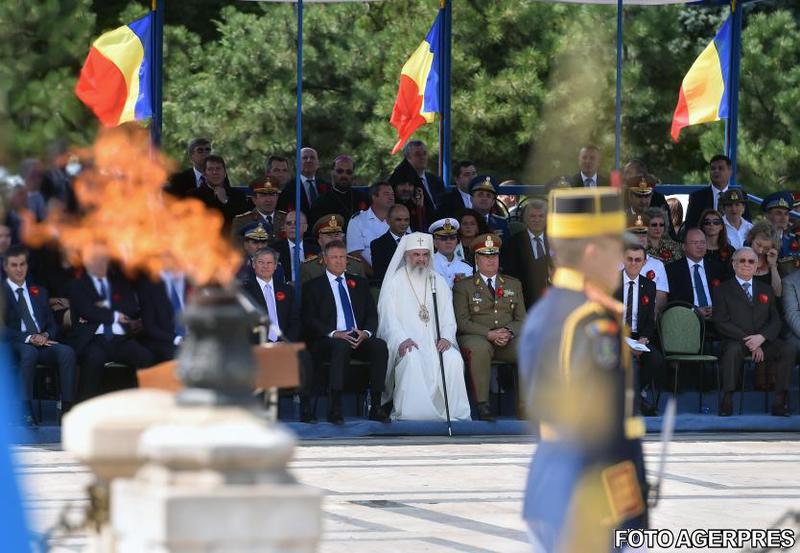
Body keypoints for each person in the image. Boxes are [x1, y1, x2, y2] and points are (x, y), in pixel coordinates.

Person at [519, 187, 648, 551]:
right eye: (615, 251)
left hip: (552, 488)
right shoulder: (591, 323)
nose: (620, 263)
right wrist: (628, 509)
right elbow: (600, 431)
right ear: (592, 252)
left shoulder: (547, 312)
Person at [377, 233, 471, 421]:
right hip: (407, 342)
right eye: (416, 255)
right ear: (406, 256)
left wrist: (446, 337)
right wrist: (401, 340)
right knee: (412, 358)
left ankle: (454, 413)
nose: (421, 259)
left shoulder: (438, 281)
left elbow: (448, 317)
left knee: (453, 359)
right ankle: (414, 414)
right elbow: (388, 318)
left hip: (435, 343)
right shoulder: (395, 282)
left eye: (425, 255)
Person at [301, 240, 390, 425]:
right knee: (341, 346)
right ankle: (335, 407)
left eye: (342, 257)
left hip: (358, 337)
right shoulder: (313, 286)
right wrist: (334, 333)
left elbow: (371, 314)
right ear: (325, 259)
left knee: (379, 346)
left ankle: (375, 405)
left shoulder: (359, 283)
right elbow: (309, 319)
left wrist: (365, 332)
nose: (339, 261)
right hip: (328, 340)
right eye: (334, 257)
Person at [712, 247, 794, 416]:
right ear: (734, 264)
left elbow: (776, 320)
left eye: (751, 261)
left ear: (757, 266)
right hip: (736, 340)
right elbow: (721, 321)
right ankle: (727, 400)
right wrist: (750, 341)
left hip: (763, 340)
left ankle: (780, 402)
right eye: (742, 260)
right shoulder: (722, 289)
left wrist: (762, 338)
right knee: (733, 350)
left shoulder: (766, 289)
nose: (746, 264)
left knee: (788, 349)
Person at [453, 233, 526, 421]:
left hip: (505, 338)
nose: (491, 260)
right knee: (480, 348)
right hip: (476, 336)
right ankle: (483, 405)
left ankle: (526, 405)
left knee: (528, 348)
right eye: (485, 256)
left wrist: (508, 332)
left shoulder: (513, 284)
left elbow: (521, 319)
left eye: (494, 255)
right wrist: (489, 334)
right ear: (477, 259)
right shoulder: (464, 286)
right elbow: (461, 321)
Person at [67, 244, 154, 400]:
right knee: (93, 360)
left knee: (145, 357)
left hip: (121, 340)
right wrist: (114, 315)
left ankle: (143, 404)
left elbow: (131, 306)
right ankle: (84, 408)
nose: (101, 264)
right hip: (94, 339)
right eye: (96, 260)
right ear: (87, 262)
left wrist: (104, 307)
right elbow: (86, 309)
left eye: (104, 260)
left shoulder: (119, 284)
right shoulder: (77, 285)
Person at [3, 246, 77, 423]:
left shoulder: (39, 291)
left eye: (22, 264)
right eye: (14, 265)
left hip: (42, 341)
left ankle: (67, 409)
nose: (19, 269)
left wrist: (44, 334)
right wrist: (29, 338)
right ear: (5, 267)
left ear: (27, 266)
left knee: (67, 352)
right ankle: (25, 410)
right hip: (15, 342)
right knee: (29, 353)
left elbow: (52, 324)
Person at [241, 248, 315, 423]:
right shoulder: (244, 291)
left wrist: (285, 341)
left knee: (305, 357)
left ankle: (306, 409)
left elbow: (295, 320)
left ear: (276, 266)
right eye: (261, 262)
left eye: (269, 263)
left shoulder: (286, 290)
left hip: (284, 343)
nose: (265, 266)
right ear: (253, 265)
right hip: (258, 343)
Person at [615, 242, 664, 416]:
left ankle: (633, 397)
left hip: (638, 336)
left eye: (638, 260)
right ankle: (636, 401)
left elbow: (651, 320)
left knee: (656, 358)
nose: (633, 263)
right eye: (630, 259)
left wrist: (643, 338)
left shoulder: (649, 286)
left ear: (644, 262)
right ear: (623, 259)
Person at [665, 228, 727, 324]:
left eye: (702, 242)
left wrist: (716, 309)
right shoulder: (672, 270)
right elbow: (672, 301)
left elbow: (727, 296)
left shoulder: (718, 268)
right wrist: (693, 310)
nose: (700, 246)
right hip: (686, 321)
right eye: (695, 242)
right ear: (684, 246)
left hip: (717, 320)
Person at [503, 199, 552, 308]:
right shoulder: (514, 242)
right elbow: (511, 275)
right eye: (532, 216)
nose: (536, 220)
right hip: (525, 300)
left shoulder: (555, 241)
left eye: (541, 216)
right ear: (525, 219)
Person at [136, 269, 189, 364]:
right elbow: (150, 326)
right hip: (166, 340)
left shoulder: (191, 279)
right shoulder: (149, 284)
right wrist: (177, 339)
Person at [685, 155, 750, 227]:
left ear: (730, 171)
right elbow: (690, 226)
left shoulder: (741, 196)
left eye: (720, 168)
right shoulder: (697, 197)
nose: (716, 171)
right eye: (713, 169)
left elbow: (747, 223)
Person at [190, 155, 250, 234]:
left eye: (218, 169)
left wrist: (225, 200)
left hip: (230, 242)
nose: (215, 172)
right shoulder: (193, 195)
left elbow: (243, 221)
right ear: (204, 174)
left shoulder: (238, 195)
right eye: (210, 169)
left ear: (225, 173)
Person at [300, 214, 364, 284]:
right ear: (320, 241)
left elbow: (363, 293)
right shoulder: (309, 268)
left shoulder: (356, 265)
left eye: (337, 235)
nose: (334, 239)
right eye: (329, 236)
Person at [309, 155, 369, 229]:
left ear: (352, 175)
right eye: (340, 171)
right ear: (332, 173)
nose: (344, 175)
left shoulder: (364, 197)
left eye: (349, 172)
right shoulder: (320, 202)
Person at [346, 181, 394, 270]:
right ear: (374, 197)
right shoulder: (357, 220)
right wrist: (375, 274)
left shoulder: (399, 218)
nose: (391, 197)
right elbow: (354, 254)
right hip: (371, 278)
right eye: (386, 194)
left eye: (392, 194)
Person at [627, 217, 669, 313]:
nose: (641, 238)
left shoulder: (658, 265)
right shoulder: (618, 262)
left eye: (644, 234)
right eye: (636, 234)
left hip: (647, 319)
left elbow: (661, 298)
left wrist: (650, 321)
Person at [230, 180, 285, 246]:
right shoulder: (241, 221)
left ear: (277, 198)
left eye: (272, 195)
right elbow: (237, 250)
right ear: (254, 199)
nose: (268, 200)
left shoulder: (286, 218)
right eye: (263, 195)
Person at [272, 211, 319, 284]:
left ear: (305, 227)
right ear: (284, 227)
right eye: (288, 223)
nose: (292, 226)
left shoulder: (316, 250)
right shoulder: (274, 250)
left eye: (296, 223)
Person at [277, 148, 326, 217]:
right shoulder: (288, 188)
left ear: (318, 164)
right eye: (305, 158)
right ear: (297, 163)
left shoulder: (326, 186)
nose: (309, 160)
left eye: (312, 157)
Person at [370, 204, 411, 284]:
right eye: (398, 220)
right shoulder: (378, 245)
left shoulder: (415, 239)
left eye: (406, 220)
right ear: (388, 221)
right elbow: (380, 275)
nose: (403, 223)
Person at [389, 158, 432, 232]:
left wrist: (420, 207)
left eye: (410, 185)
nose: (407, 189)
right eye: (402, 184)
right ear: (394, 186)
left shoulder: (417, 206)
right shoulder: (388, 207)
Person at [429, 219, 472, 288]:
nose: (448, 242)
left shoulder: (466, 267)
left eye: (452, 238)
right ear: (435, 243)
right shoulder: (428, 264)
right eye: (443, 238)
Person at [403, 140, 445, 211]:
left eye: (424, 153)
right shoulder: (400, 182)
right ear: (407, 158)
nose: (422, 157)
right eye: (417, 154)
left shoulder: (436, 180)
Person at [745, 222, 782, 297]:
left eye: (766, 248)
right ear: (751, 239)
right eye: (758, 244)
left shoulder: (772, 260)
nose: (760, 251)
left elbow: (777, 293)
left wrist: (773, 265)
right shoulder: (739, 257)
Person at [761, 191, 800, 259]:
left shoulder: (795, 240)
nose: (784, 218)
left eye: (786, 214)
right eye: (778, 213)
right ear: (767, 215)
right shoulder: (755, 240)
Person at [698, 208, 734, 275]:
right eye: (707, 222)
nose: (711, 225)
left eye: (716, 222)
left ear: (721, 226)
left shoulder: (730, 251)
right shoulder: (695, 249)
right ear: (702, 226)